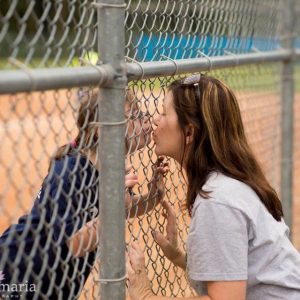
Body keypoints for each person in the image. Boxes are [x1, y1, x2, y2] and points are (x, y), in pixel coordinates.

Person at [127, 74, 300, 300]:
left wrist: (144, 295)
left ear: (189, 132)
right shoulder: (229, 184)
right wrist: (179, 257)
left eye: (164, 113)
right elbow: (239, 275)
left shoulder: (218, 200)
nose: (156, 120)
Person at [0, 88, 168, 299]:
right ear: (101, 129)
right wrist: (113, 206)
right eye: (133, 116)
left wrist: (153, 194)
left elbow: (127, 207)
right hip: (21, 272)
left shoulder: (111, 167)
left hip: (55, 285)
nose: (145, 120)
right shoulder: (71, 171)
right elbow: (73, 245)